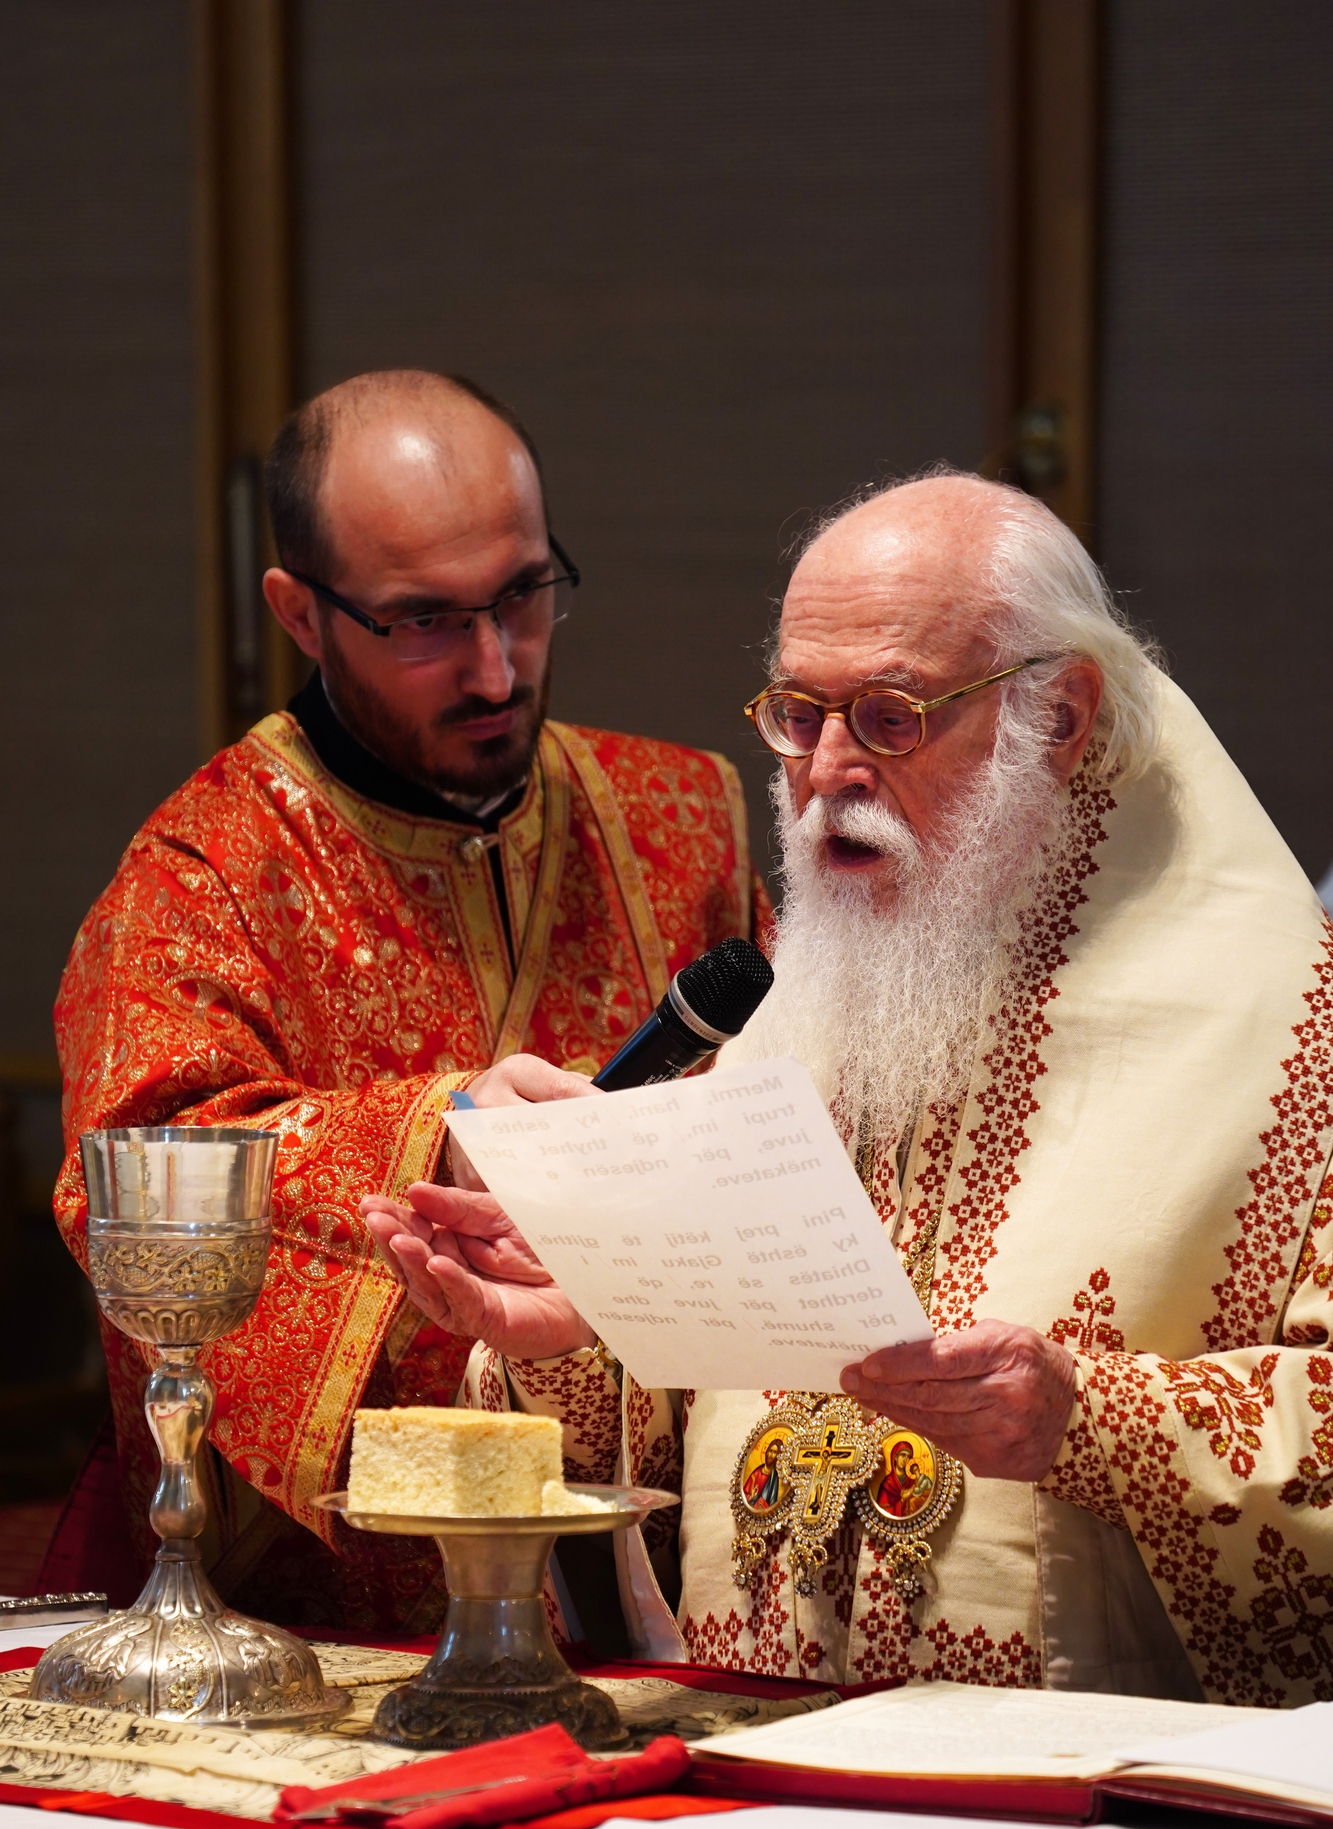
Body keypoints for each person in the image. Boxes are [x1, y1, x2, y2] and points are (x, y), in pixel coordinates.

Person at [365, 470, 1333, 1704]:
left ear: (1060, 711)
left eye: (887, 715)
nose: (826, 769)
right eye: (798, 713)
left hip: (1085, 1811)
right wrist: (583, 1334)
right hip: (751, 1754)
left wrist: (1088, 1423)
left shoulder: (1290, 1034)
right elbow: (678, 1451)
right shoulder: (807, 1002)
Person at [50, 369, 768, 1630]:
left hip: (692, 1567)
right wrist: (433, 1128)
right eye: (424, 620)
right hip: (351, 1621)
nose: (495, 667)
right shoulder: (207, 868)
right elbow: (136, 1175)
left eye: (525, 594)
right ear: (301, 612)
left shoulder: (682, 816)